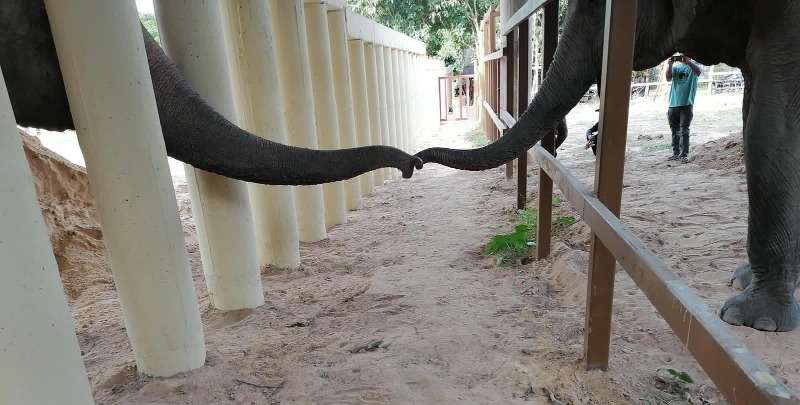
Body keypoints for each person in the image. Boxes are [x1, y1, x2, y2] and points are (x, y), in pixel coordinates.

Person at [665, 54, 703, 163]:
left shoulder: (695, 65)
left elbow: (698, 71)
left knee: (684, 130)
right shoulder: (675, 67)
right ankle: (675, 153)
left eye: (685, 55)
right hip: (673, 103)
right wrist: (670, 65)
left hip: (687, 103)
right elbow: (668, 77)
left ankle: (684, 154)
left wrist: (688, 63)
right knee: (674, 130)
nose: (682, 57)